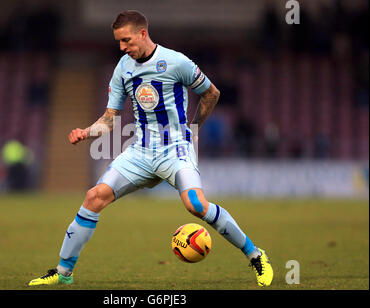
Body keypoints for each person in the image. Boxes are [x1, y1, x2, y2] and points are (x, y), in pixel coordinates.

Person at [29, 10, 273, 287]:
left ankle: (255, 254)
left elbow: (211, 93)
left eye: (126, 40)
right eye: (119, 42)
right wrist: (87, 132)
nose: (122, 47)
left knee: (196, 206)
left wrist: (193, 130)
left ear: (143, 33)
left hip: (174, 150)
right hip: (141, 152)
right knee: (94, 197)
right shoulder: (123, 67)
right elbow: (110, 119)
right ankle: (63, 273)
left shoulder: (176, 62)